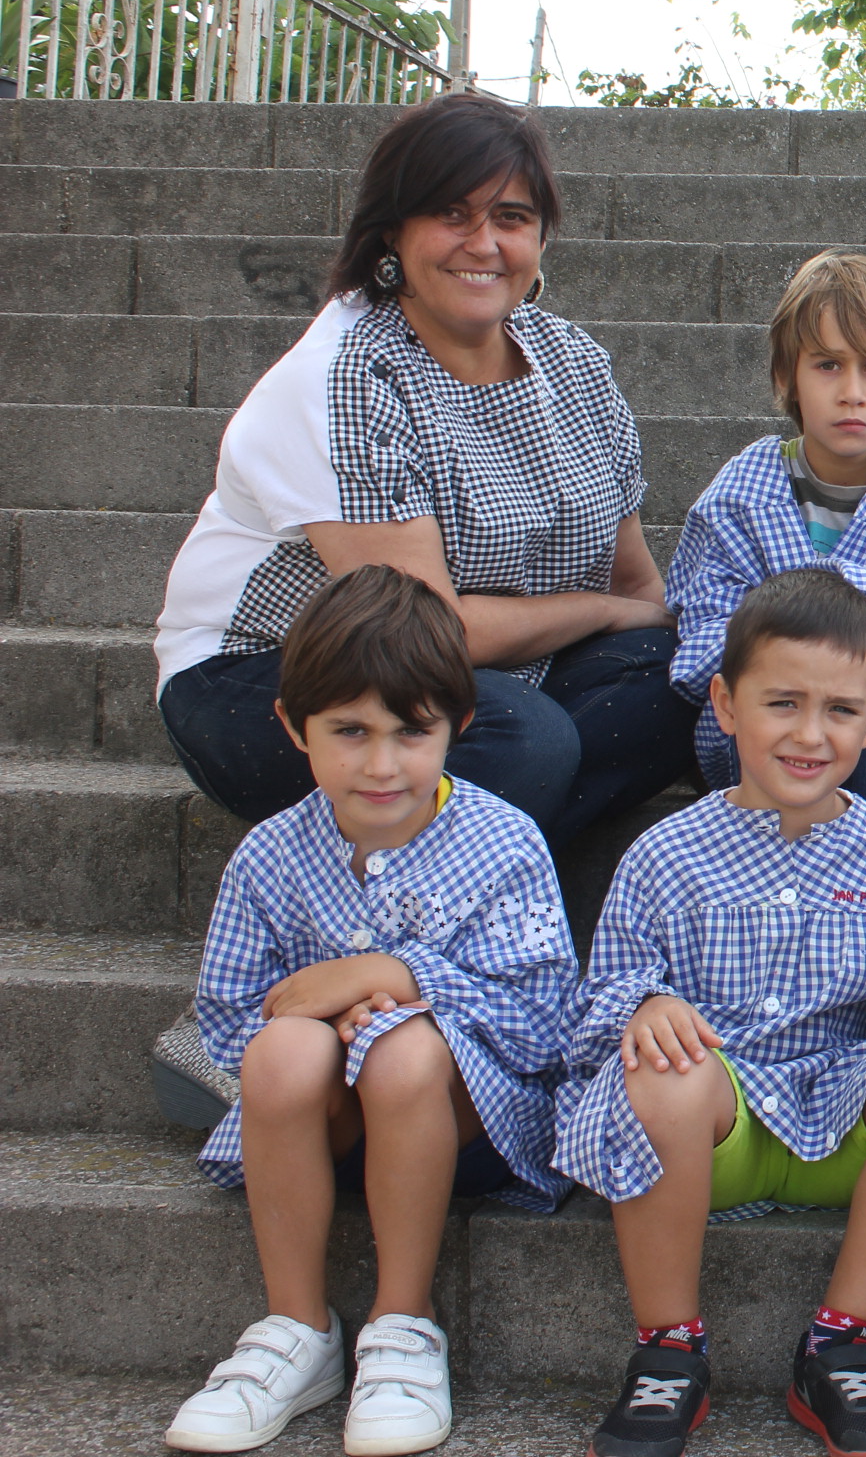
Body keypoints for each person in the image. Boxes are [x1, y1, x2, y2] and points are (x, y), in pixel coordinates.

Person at [154, 91, 695, 845]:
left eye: (511, 217)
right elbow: (429, 633)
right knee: (523, 741)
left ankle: (478, 840)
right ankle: (436, 865)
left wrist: (656, 628)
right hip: (275, 672)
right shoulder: (344, 375)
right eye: (451, 214)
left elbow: (636, 588)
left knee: (690, 681)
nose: (483, 243)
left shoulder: (574, 364)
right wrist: (599, 613)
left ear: (541, 237)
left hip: (498, 675)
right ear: (392, 230)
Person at [551, 570, 866, 1457]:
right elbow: (600, 1005)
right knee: (662, 1064)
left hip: (850, 1137)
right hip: (714, 1138)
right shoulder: (664, 856)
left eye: (840, 710)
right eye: (782, 702)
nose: (810, 734)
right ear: (725, 703)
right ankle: (669, 1350)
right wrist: (646, 1005)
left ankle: (841, 1345)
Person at [164, 565, 577, 1456]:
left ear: (458, 724)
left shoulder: (504, 843)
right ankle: (297, 1328)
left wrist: (389, 977)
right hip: (324, 1133)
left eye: (411, 731)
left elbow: (545, 1022)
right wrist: (322, 1024)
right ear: (294, 726)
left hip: (464, 1127)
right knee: (282, 1051)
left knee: (403, 1048)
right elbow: (229, 1023)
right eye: (349, 731)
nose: (382, 764)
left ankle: (402, 1325)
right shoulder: (270, 855)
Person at [665, 250, 866, 821]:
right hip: (770, 732)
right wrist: (839, 609)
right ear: (786, 376)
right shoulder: (741, 489)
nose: (852, 392)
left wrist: (819, 621)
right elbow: (696, 657)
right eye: (827, 365)